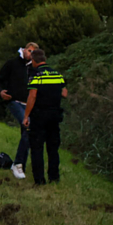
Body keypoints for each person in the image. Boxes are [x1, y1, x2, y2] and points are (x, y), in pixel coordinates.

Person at [0, 42, 39, 179]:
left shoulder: (34, 69)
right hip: (14, 101)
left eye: (33, 52)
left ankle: (20, 165)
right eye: (29, 51)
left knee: (27, 132)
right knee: (27, 126)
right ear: (24, 50)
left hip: (29, 104)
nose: (30, 54)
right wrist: (1, 92)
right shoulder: (12, 64)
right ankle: (17, 164)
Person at [23, 49, 68, 186]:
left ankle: (39, 180)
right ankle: (54, 177)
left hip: (39, 116)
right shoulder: (57, 74)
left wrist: (26, 116)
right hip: (55, 115)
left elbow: (32, 96)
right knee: (53, 148)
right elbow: (64, 93)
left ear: (34, 61)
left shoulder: (36, 75)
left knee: (37, 147)